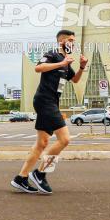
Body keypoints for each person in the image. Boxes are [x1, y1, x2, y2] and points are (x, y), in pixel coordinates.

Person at [11, 29, 87, 195]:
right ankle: (40, 173)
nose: (73, 44)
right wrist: (61, 63)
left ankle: (21, 178)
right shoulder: (52, 54)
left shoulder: (66, 62)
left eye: (74, 41)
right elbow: (39, 68)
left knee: (42, 143)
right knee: (65, 139)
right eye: (70, 40)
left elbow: (75, 80)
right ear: (61, 42)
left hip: (52, 102)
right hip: (45, 101)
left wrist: (81, 67)